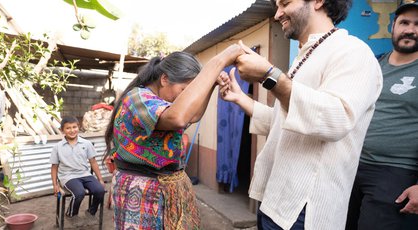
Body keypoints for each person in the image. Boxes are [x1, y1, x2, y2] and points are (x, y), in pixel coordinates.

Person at [218, 0, 383, 229]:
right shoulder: (303, 58)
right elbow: (283, 123)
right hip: (274, 201)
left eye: (285, 3)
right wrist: (240, 97)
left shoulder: (353, 52)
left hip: (305, 211)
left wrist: (269, 75)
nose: (277, 14)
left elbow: (337, 119)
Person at [104, 48, 243, 229]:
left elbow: (191, 115)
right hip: (141, 192)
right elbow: (178, 118)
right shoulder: (139, 98)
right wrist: (218, 62)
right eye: (184, 90)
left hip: (163, 187)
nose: (184, 98)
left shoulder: (164, 104)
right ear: (164, 79)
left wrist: (211, 86)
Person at [346, 2, 418, 229]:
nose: (410, 29)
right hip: (351, 165)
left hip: (396, 172)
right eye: (404, 22)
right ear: (392, 26)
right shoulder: (373, 64)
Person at [50, 116, 105, 225]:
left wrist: (100, 179)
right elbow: (54, 167)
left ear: (78, 127)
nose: (72, 130)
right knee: (79, 193)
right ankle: (71, 214)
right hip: (68, 177)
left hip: (85, 174)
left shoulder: (86, 143)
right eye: (68, 128)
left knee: (100, 190)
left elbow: (93, 162)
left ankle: (91, 212)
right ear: (62, 130)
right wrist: (55, 185)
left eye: (74, 127)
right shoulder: (58, 147)